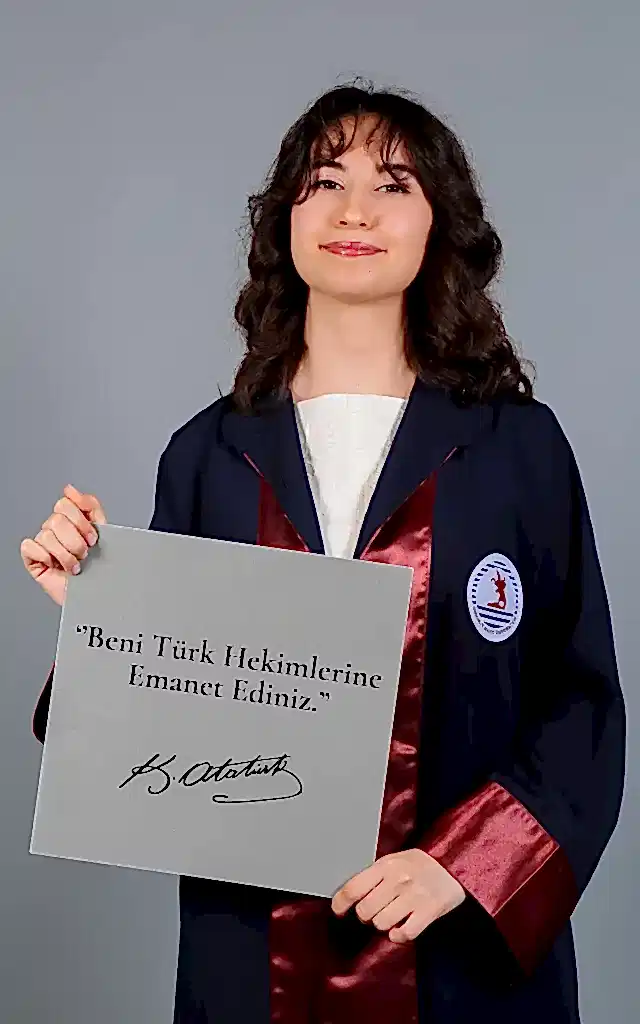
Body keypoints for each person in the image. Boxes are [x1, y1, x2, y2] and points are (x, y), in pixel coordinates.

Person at [21, 81, 626, 1024]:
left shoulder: (518, 450)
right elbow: (172, 721)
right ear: (285, 219)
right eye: (326, 181)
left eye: (393, 185)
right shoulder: (208, 456)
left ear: (440, 224)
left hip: (456, 959)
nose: (354, 211)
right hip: (254, 955)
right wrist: (101, 615)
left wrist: (466, 863)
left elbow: (579, 700)